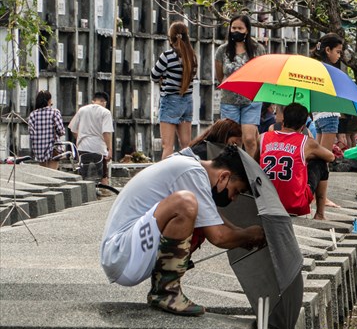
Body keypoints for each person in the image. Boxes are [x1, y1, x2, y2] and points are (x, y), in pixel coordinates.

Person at [100, 122, 264, 316]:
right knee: (186, 203)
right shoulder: (191, 172)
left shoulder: (191, 165)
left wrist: (241, 233)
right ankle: (166, 292)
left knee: (199, 211)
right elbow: (219, 236)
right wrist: (249, 235)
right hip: (122, 256)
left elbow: (214, 219)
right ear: (224, 177)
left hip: (127, 252)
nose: (233, 197)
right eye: (235, 191)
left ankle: (163, 288)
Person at [259, 102, 334, 219]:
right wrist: (309, 155)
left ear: (283, 119)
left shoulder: (263, 137)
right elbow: (331, 157)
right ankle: (320, 214)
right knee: (320, 162)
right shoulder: (307, 142)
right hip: (294, 204)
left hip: (265, 203)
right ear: (303, 126)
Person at [215, 14, 265, 157]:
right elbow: (220, 75)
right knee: (232, 140)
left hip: (251, 100)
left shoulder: (257, 49)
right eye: (234, 28)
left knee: (249, 138)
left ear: (247, 30)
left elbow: (262, 72)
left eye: (240, 28)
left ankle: (252, 170)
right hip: (229, 100)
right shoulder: (222, 50)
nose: (236, 31)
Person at [309, 33, 346, 213]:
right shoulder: (328, 70)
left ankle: (318, 195)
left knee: (319, 157)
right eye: (337, 52)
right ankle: (321, 197)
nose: (339, 56)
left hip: (318, 115)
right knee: (324, 159)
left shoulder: (315, 67)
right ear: (327, 50)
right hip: (329, 114)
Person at [150, 21, 197, 159]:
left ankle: (165, 178)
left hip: (170, 101)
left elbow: (154, 75)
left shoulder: (167, 56)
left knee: (168, 146)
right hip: (187, 101)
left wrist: (164, 78)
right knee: (186, 145)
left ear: (170, 38)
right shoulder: (192, 56)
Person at [69, 91, 113, 186]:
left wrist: (79, 139)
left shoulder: (82, 110)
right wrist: (110, 149)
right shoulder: (106, 112)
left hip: (83, 147)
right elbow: (106, 132)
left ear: (93, 100)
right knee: (103, 175)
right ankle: (104, 190)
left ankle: (83, 192)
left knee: (82, 174)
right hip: (99, 148)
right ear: (104, 102)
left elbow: (73, 129)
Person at [27, 90, 64, 169]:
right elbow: (61, 131)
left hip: (39, 149)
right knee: (53, 174)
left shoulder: (33, 114)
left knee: (44, 173)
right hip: (53, 148)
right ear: (49, 100)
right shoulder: (55, 112)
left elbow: (31, 134)